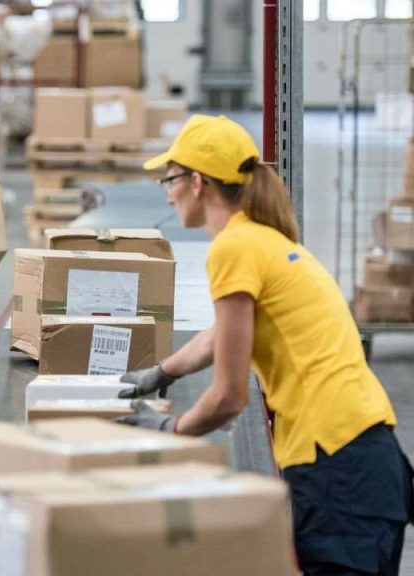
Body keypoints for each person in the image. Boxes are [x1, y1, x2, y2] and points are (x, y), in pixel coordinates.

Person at [117, 115, 411, 576]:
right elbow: (224, 333)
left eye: (169, 180)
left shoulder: (233, 248)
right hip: (363, 456)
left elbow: (229, 397)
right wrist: (163, 372)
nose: (168, 192)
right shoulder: (265, 241)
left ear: (197, 182)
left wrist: (170, 432)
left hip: (336, 467)